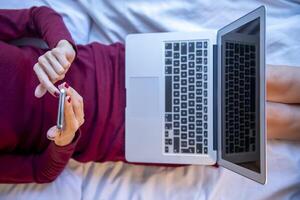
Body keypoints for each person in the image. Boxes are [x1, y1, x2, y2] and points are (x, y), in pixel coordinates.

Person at [0, 6, 298, 184]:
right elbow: (41, 172)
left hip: (121, 67)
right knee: (264, 120)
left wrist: (62, 45)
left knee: (268, 80)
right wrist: (65, 141)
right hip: (120, 133)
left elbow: (37, 16)